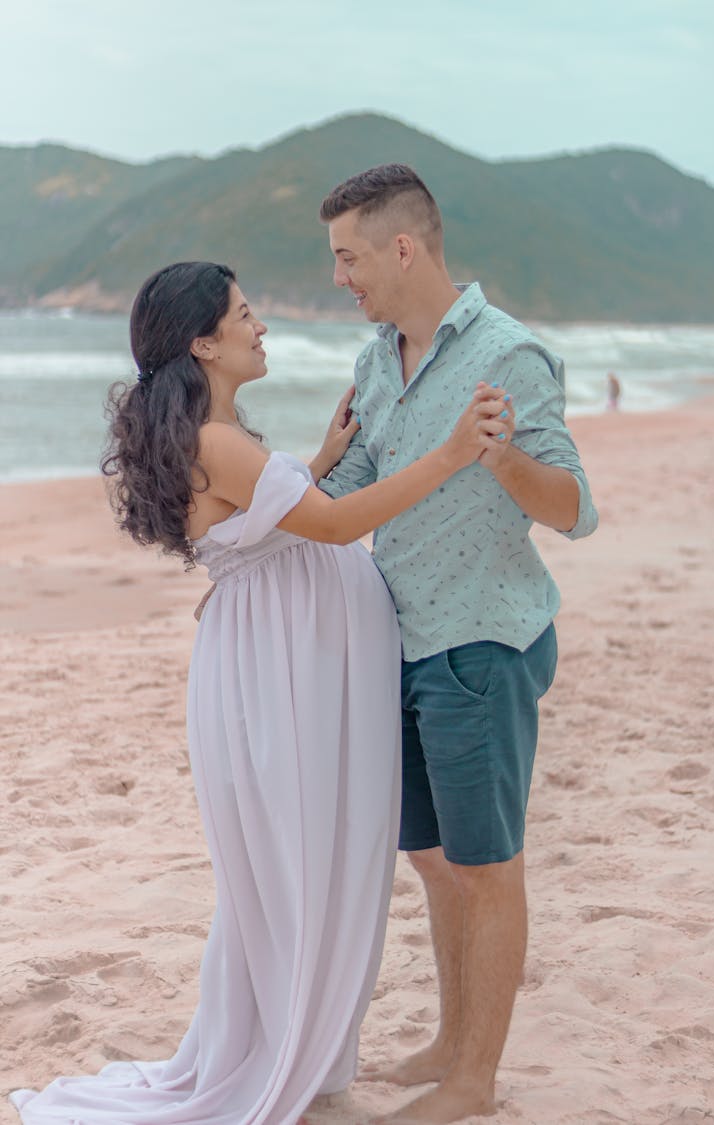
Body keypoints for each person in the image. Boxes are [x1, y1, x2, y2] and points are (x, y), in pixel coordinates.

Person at [9, 261, 506, 1125]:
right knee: (302, 865)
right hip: (284, 671)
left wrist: (316, 458)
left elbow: (263, 522)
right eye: (245, 313)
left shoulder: (215, 436)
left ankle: (295, 1047)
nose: (261, 324)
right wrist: (454, 452)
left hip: (279, 660)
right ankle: (291, 1058)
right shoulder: (218, 439)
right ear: (205, 341)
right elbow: (336, 523)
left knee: (293, 870)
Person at [317, 165, 599, 1124]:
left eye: (349, 258)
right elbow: (345, 493)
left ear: (404, 247)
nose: (342, 278)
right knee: (435, 858)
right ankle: (448, 1043)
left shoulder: (510, 355)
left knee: (488, 865)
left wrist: (502, 457)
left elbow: (574, 509)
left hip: (482, 643)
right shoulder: (373, 361)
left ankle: (475, 1080)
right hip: (396, 644)